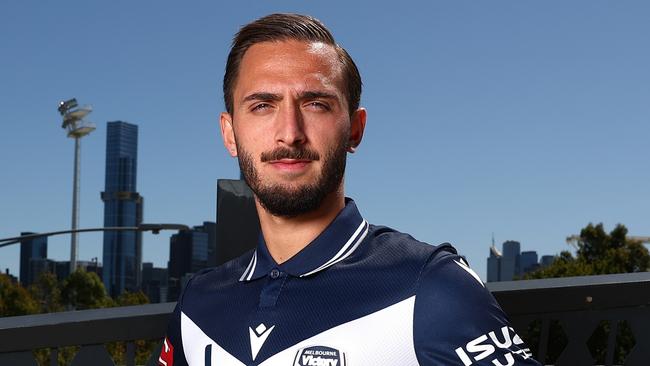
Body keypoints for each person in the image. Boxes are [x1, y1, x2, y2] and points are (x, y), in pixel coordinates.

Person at [160, 13, 541, 366]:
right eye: (262, 105)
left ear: (354, 130)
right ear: (230, 133)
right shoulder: (197, 303)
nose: (289, 132)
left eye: (316, 104)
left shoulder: (431, 286)